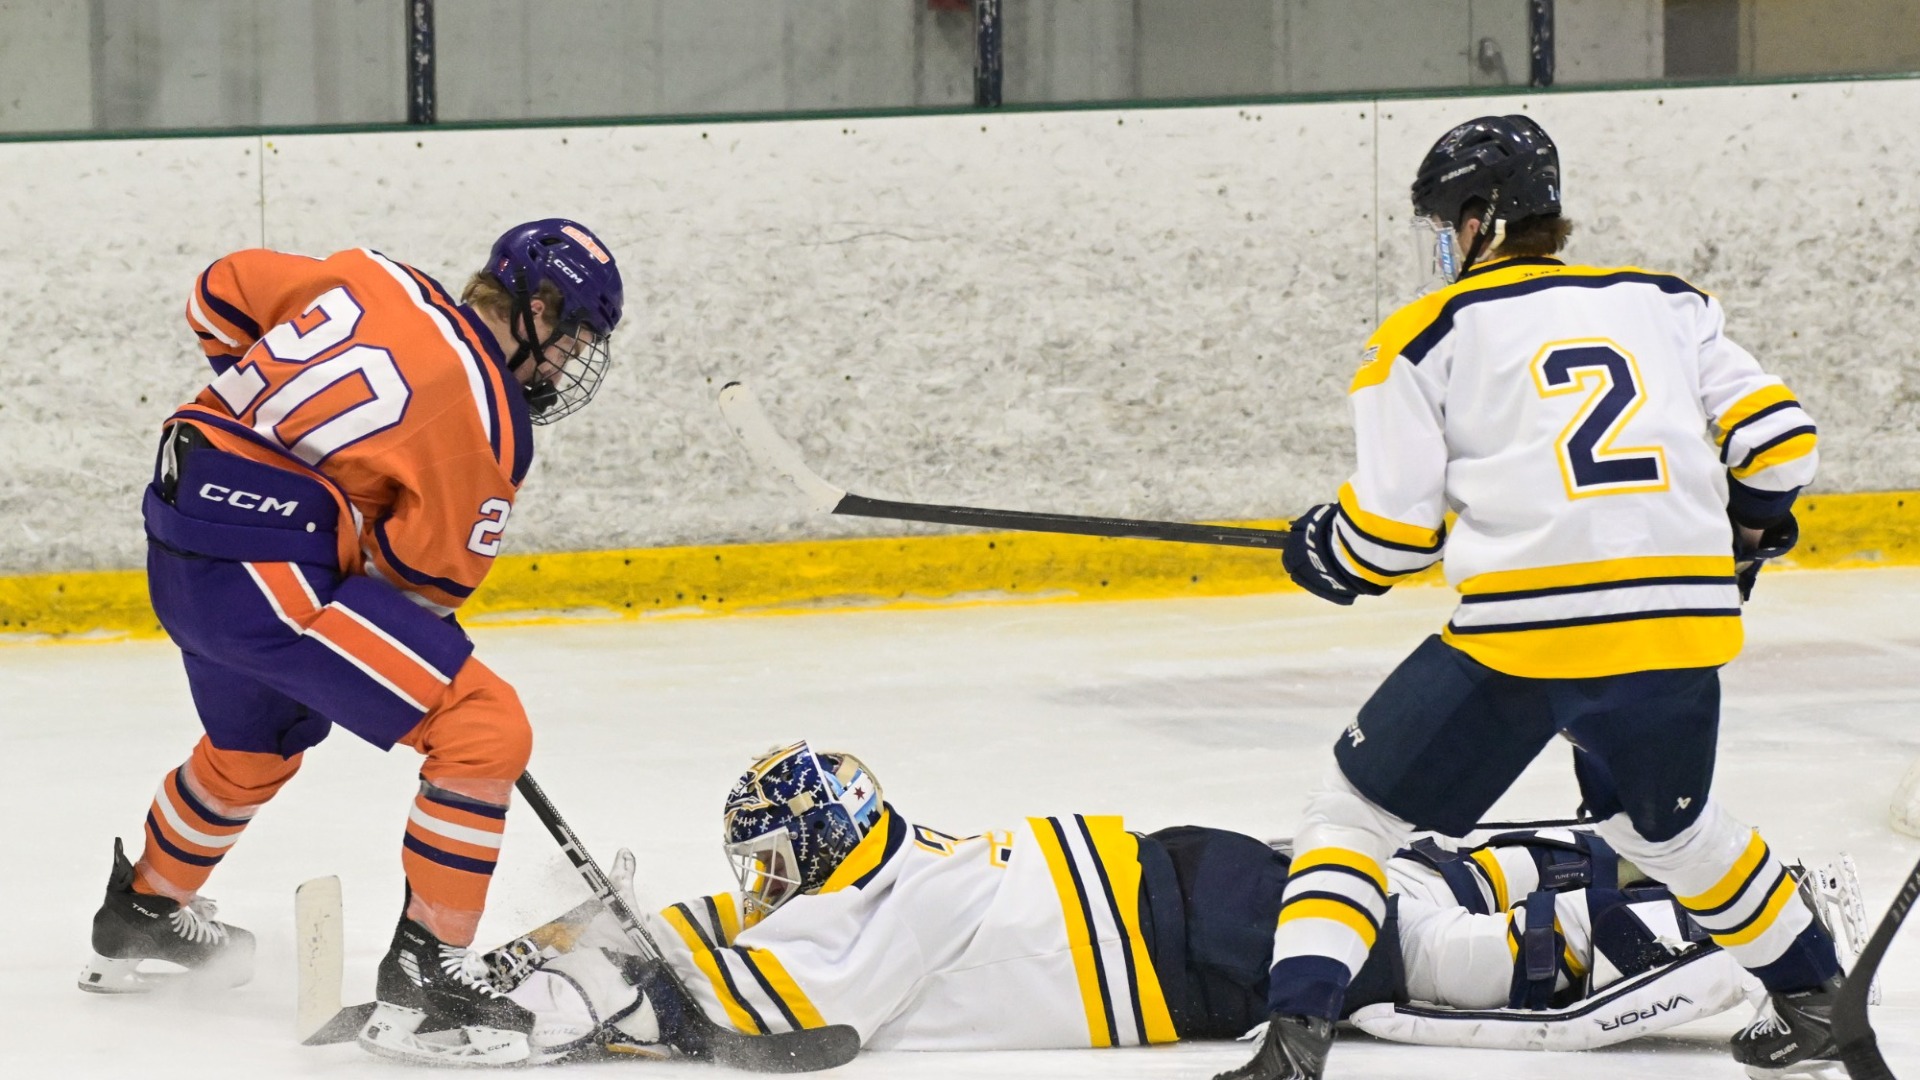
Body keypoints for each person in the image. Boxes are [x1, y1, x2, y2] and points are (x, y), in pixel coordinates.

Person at [1232, 115, 1839, 1080]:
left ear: (1481, 219)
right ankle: (1817, 1000)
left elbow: (1387, 539)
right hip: (1679, 625)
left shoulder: (1422, 338)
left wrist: (1324, 552)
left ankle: (1294, 1040)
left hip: (1523, 637)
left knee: (1355, 817)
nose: (1440, 244)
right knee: (1665, 832)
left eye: (1442, 222)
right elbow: (1780, 440)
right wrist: (1749, 534)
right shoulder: (1669, 303)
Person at [79, 219, 625, 1066]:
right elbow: (420, 585)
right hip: (271, 582)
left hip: (181, 541)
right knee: (482, 727)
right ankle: (428, 980)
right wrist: (323, 499)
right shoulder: (491, 420)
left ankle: (143, 911)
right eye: (573, 338)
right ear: (539, 308)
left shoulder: (375, 275)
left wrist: (285, 433)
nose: (564, 365)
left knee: (252, 748)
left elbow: (218, 292)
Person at [470, 740, 1792, 1065]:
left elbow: (810, 1027)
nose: (756, 888)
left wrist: (634, 1007)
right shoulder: (884, 864)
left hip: (1187, 939)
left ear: (813, 844)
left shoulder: (909, 894)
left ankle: (1704, 936)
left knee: (1439, 956)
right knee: (1408, 887)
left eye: (766, 862)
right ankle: (1673, 881)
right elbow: (743, 934)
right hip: (1184, 881)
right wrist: (547, 959)